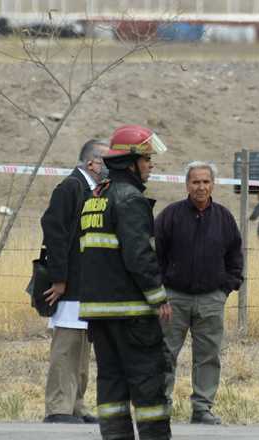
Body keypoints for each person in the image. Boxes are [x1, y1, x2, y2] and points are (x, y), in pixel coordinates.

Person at [78, 124, 173, 440]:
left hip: (100, 315)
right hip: (132, 314)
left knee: (112, 389)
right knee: (149, 388)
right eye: (146, 159)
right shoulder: (129, 198)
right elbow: (138, 255)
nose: (150, 165)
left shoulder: (96, 197)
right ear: (130, 162)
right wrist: (159, 297)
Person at [154, 161, 244, 425]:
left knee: (208, 356)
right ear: (187, 185)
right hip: (173, 300)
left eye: (206, 181)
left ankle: (202, 409)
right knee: (164, 354)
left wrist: (226, 289)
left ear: (213, 184)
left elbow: (235, 256)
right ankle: (160, 408)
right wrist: (160, 294)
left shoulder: (224, 218)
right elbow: (154, 257)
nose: (201, 187)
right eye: (196, 182)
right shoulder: (170, 215)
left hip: (211, 300)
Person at [39, 139, 109, 424]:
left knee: (81, 350)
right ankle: (58, 408)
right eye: (107, 161)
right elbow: (53, 231)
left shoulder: (93, 190)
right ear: (92, 163)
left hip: (86, 285)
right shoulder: (70, 188)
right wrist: (59, 278)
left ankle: (75, 405)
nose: (111, 167)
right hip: (68, 287)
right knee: (66, 348)